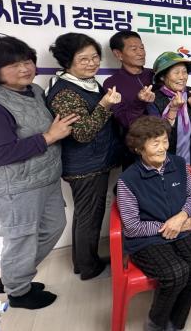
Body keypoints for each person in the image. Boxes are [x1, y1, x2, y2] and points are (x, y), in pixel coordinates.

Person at [0, 36, 79, 309]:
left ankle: (13, 276)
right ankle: (18, 292)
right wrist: (49, 137)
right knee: (21, 238)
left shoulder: (33, 90)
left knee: (53, 226)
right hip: (14, 186)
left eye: (27, 61)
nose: (24, 68)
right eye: (12, 65)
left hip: (44, 177)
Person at [117, 116, 191, 331]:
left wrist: (182, 217)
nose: (162, 148)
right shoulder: (128, 180)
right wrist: (172, 226)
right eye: (155, 143)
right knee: (176, 272)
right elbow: (132, 226)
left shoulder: (178, 164)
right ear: (139, 148)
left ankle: (176, 322)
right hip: (146, 238)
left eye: (165, 141)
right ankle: (156, 323)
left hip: (182, 229)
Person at [46, 32, 122, 280]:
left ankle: (83, 263)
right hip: (85, 166)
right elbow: (82, 133)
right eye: (83, 59)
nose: (92, 63)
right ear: (68, 61)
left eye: (95, 57)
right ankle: (89, 268)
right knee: (89, 217)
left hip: (94, 161)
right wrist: (105, 105)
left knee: (86, 215)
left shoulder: (86, 83)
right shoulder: (65, 93)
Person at [148, 51, 191, 171]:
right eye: (176, 72)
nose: (182, 77)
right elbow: (156, 135)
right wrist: (173, 110)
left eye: (184, 72)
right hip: (165, 163)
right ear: (163, 77)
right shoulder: (154, 99)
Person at [103, 31, 155, 130]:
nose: (141, 53)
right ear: (118, 54)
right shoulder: (112, 83)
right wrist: (139, 102)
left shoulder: (155, 74)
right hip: (137, 137)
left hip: (165, 135)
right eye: (134, 49)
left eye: (142, 48)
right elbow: (124, 121)